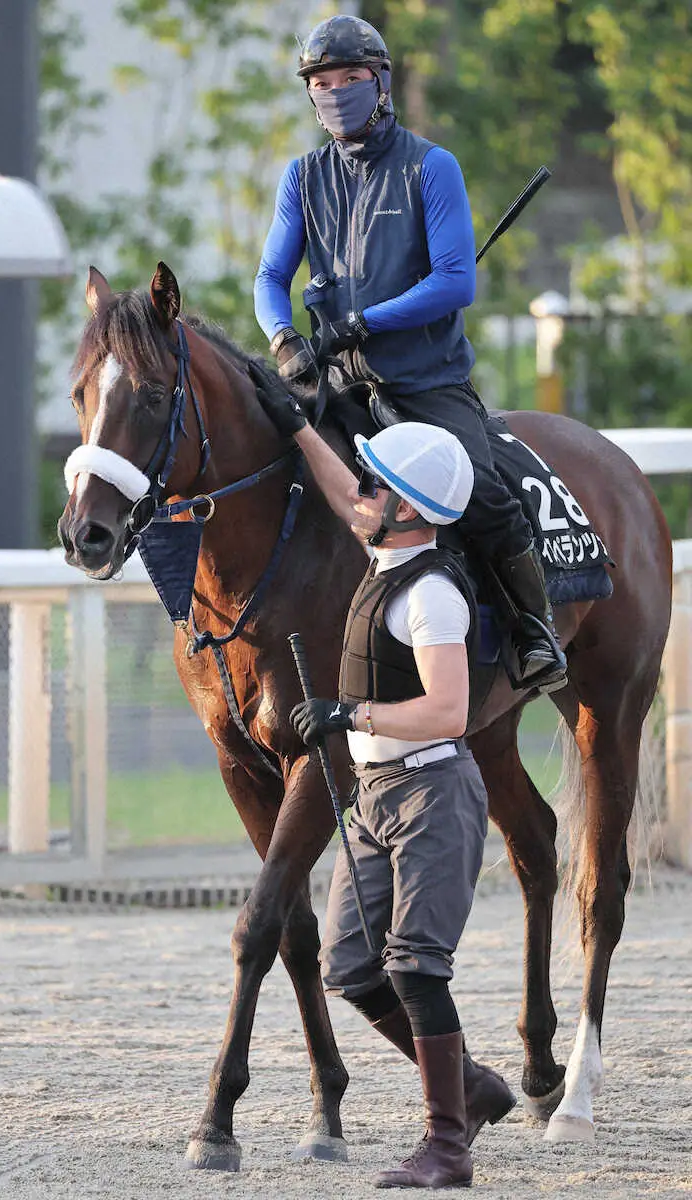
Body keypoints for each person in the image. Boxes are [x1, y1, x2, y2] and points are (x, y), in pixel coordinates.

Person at [249, 357, 516, 1190]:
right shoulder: (386, 553)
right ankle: (468, 1087)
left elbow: (447, 711)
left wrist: (349, 716)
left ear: (405, 507)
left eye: (376, 482)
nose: (359, 488)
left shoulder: (432, 594)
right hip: (374, 797)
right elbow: (341, 496)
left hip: (432, 792)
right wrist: (294, 424)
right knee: (351, 969)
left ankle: (448, 1145)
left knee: (413, 966)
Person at [253, 13, 566, 692]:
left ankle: (531, 627)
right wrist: (283, 338)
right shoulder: (302, 178)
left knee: (480, 488)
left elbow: (456, 281)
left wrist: (360, 323)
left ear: (381, 82)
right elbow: (269, 278)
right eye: (322, 83)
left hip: (425, 383)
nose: (335, 92)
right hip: (335, 385)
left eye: (350, 79)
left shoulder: (432, 166)